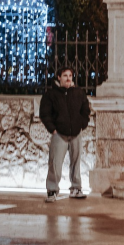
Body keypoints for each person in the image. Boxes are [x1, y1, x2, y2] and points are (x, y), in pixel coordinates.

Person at [40, 67, 91, 202]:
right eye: (65, 76)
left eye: (70, 75)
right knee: (55, 163)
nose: (68, 78)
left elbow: (85, 110)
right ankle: (52, 190)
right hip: (59, 134)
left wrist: (82, 125)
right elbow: (45, 114)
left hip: (76, 133)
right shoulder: (51, 94)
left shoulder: (78, 93)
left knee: (76, 162)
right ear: (59, 77)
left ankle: (76, 188)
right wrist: (53, 129)